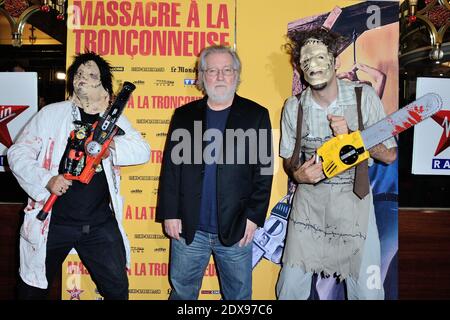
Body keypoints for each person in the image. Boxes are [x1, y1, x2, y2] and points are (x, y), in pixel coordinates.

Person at [7, 52, 150, 300]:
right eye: (80, 75)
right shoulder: (52, 114)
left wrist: (110, 146)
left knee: (117, 289)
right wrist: (46, 180)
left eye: (92, 76)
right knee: (30, 292)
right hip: (53, 221)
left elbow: (142, 150)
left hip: (99, 224)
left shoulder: (114, 120)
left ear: (104, 84)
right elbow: (18, 153)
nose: (84, 80)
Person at [276, 28, 397, 300]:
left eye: (320, 57)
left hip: (354, 206)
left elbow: (389, 154)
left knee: (367, 293)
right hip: (308, 207)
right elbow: (289, 159)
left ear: (335, 60)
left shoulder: (362, 97)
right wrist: (298, 174)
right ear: (299, 67)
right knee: (290, 289)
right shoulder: (293, 106)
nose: (313, 65)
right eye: (306, 61)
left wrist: (354, 137)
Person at [156, 45, 273, 300]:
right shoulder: (184, 116)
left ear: (236, 75)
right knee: (182, 295)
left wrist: (253, 217)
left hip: (237, 227)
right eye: (212, 70)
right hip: (189, 229)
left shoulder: (257, 115)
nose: (220, 77)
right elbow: (171, 170)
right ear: (201, 76)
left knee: (238, 298)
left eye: (227, 70)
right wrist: (170, 212)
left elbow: (264, 173)